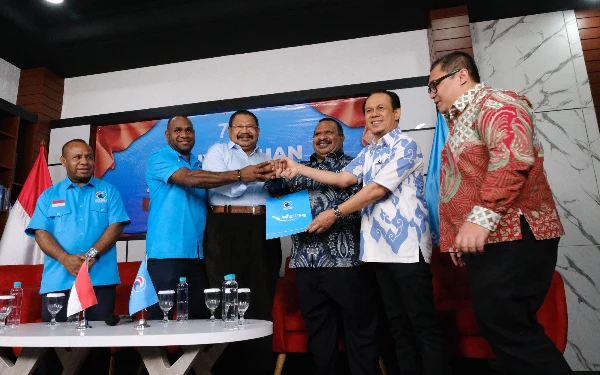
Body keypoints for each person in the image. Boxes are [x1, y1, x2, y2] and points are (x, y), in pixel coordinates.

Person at [278, 91, 450, 375]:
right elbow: (343, 178)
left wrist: (334, 213)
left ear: (397, 113)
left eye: (381, 108)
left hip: (408, 250)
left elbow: (377, 190)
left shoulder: (405, 146)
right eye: (368, 110)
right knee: (397, 325)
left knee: (422, 325)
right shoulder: (370, 152)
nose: (373, 114)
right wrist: (298, 167)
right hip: (377, 252)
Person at [428, 51, 571, 374]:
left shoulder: (496, 103)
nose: (433, 94)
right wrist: (457, 238)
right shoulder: (460, 120)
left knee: (511, 329)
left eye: (435, 85)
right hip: (491, 241)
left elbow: (512, 157)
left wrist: (480, 220)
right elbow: (460, 185)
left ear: (461, 75)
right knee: (501, 328)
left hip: (516, 233)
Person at [265, 118, 380, 375]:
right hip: (306, 264)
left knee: (360, 331)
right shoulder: (299, 169)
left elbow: (366, 206)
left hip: (347, 263)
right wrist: (273, 176)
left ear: (341, 138)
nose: (322, 137)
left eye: (329, 132)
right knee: (318, 334)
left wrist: (336, 216)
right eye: (317, 133)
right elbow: (274, 192)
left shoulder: (356, 165)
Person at [145, 115, 274, 321]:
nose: (184, 134)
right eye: (178, 130)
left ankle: (189, 355)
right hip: (167, 253)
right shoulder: (159, 158)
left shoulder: (197, 163)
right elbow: (188, 179)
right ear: (167, 135)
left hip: (198, 255)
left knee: (200, 319)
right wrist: (241, 175)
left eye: (189, 130)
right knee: (162, 316)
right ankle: (154, 355)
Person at [26, 139, 131, 375]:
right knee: (53, 346)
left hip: (99, 281)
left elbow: (116, 226)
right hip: (58, 281)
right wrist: (65, 258)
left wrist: (92, 254)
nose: (85, 162)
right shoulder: (48, 196)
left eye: (89, 157)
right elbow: (40, 234)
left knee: (98, 346)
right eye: (77, 157)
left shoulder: (109, 192)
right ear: (63, 161)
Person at [202, 109, 282, 375]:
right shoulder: (218, 152)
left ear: (258, 131)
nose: (245, 131)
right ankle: (226, 368)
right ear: (230, 130)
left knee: (261, 297)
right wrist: (246, 176)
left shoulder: (266, 159)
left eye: (251, 127)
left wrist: (277, 181)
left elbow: (275, 195)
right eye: (240, 126)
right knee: (228, 297)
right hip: (226, 227)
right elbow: (216, 185)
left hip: (262, 227)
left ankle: (259, 368)